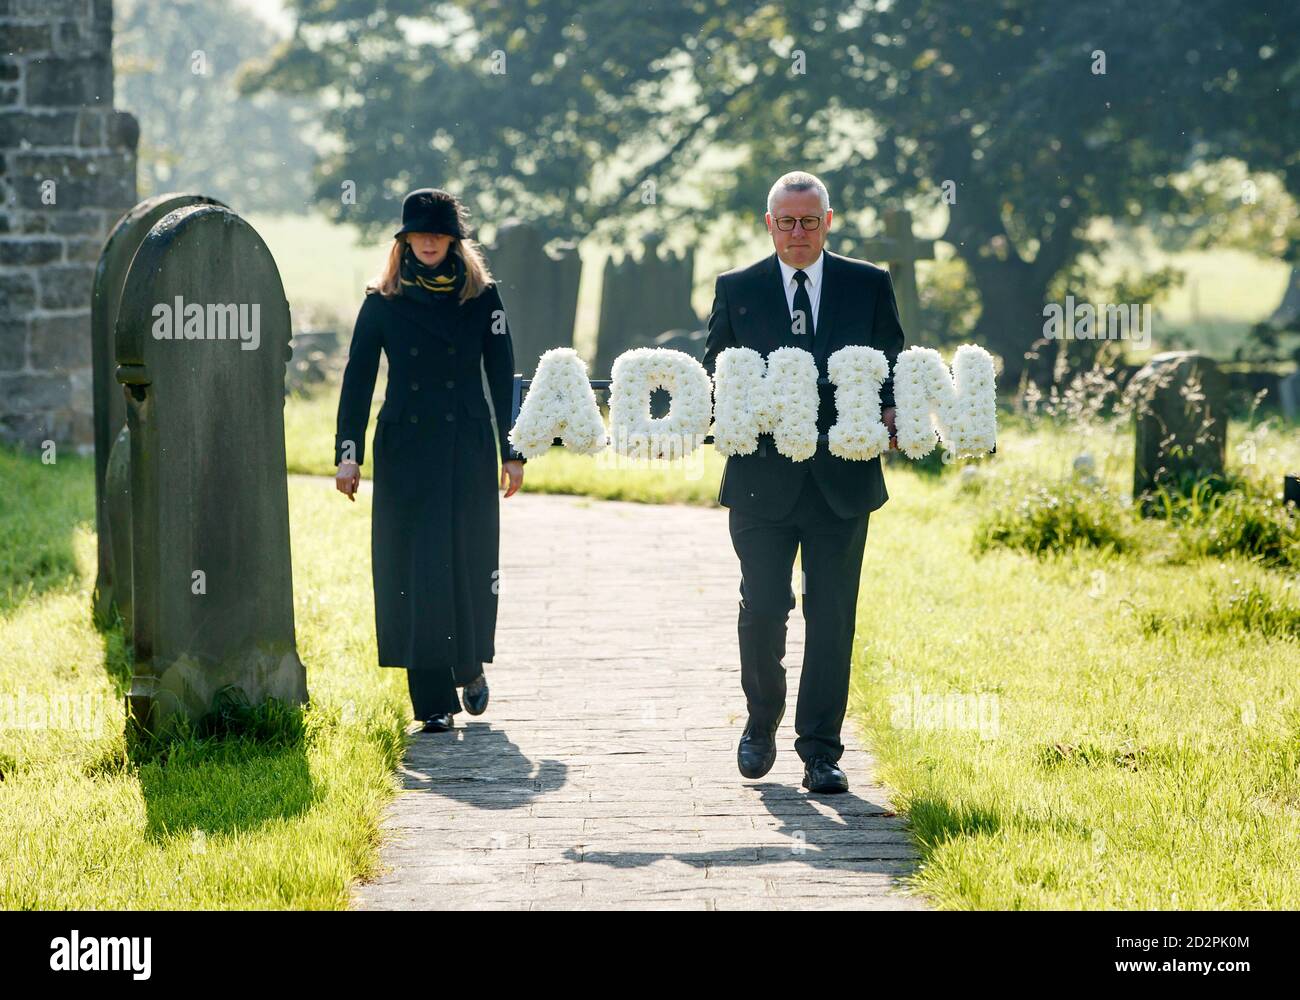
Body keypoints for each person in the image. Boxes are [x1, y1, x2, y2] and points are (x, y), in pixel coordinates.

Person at [701, 171, 905, 794]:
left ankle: (821, 751)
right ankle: (761, 720)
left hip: (843, 483)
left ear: (828, 221)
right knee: (763, 608)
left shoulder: (868, 285)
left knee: (833, 616)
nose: (797, 232)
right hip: (761, 482)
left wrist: (894, 411)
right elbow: (714, 371)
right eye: (786, 222)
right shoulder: (737, 288)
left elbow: (892, 363)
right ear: (769, 224)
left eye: (809, 221)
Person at [334, 188, 525, 733]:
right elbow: (357, 380)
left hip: (465, 443)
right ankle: (432, 701)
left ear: (454, 241)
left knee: (465, 558)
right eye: (419, 234)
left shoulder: (483, 299)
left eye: (438, 234)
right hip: (405, 449)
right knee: (415, 566)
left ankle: (469, 663)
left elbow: (501, 374)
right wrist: (348, 455)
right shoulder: (382, 301)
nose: (428, 242)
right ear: (404, 241)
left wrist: (511, 453)